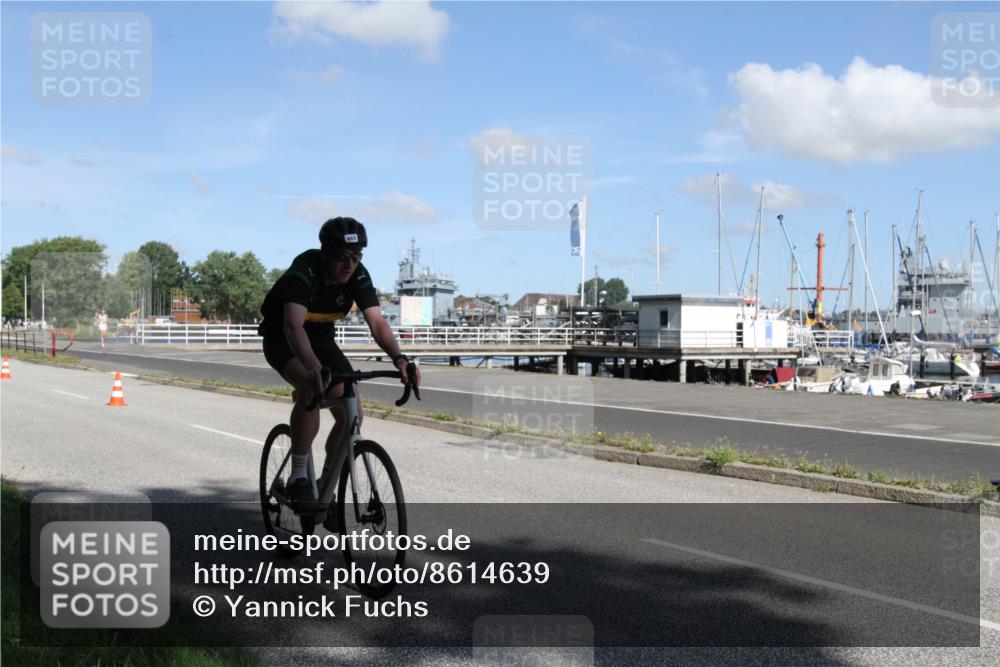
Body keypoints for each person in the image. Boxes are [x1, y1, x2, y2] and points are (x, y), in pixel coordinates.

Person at [259, 217, 420, 508]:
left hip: (321, 338)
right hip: (283, 336)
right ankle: (298, 477)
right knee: (311, 387)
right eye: (342, 257)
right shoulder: (304, 270)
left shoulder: (358, 275)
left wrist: (400, 359)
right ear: (325, 253)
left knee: (352, 413)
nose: (350, 264)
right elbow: (293, 326)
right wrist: (312, 367)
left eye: (357, 256)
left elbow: (378, 323)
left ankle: (324, 485)